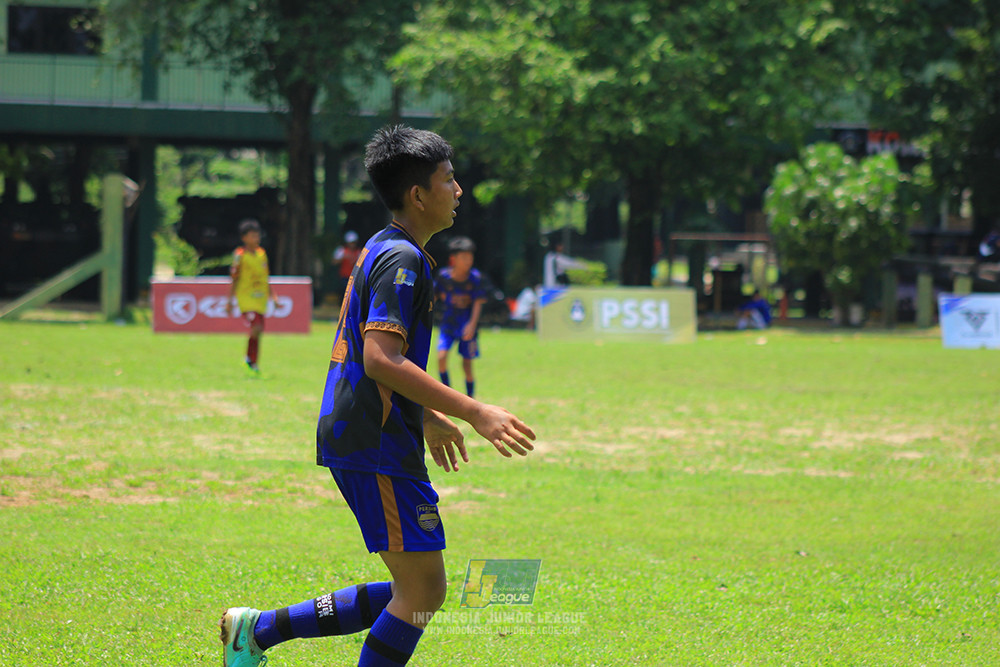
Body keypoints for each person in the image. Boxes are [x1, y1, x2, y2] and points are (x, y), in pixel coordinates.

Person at [219, 125, 536, 667]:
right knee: (421, 593)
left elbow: (384, 361)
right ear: (418, 194)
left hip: (376, 430)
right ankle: (258, 631)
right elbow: (379, 358)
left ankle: (259, 630)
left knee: (415, 590)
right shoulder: (402, 259)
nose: (459, 190)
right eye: (448, 180)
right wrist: (474, 409)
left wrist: (428, 413)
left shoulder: (386, 247)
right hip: (374, 438)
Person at [434, 236, 487, 397]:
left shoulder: (475, 278)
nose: (468, 261)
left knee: (467, 364)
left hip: (466, 323)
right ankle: (448, 395)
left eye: (470, 257)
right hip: (449, 322)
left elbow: (478, 302)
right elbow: (434, 296)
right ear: (453, 259)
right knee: (441, 357)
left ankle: (470, 398)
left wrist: (472, 324)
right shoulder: (443, 277)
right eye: (464, 257)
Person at [225, 218, 277, 375]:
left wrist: (273, 296)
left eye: (257, 236)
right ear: (244, 238)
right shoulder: (239, 255)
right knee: (256, 327)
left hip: (260, 298)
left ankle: (253, 361)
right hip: (246, 298)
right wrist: (230, 300)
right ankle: (249, 358)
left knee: (259, 330)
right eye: (253, 236)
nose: (256, 239)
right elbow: (234, 278)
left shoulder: (262, 254)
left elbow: (265, 278)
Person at [332, 230, 362, 300]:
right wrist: (344, 258)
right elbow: (334, 262)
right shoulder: (341, 250)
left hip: (355, 277)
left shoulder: (359, 252)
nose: (352, 245)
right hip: (344, 277)